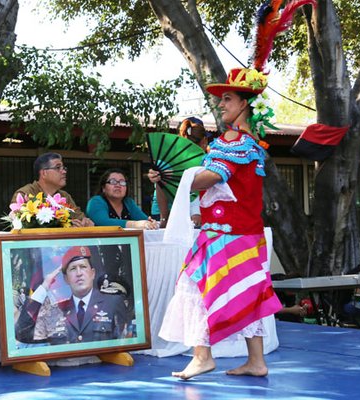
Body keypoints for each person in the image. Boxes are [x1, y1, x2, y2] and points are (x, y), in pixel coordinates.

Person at [156, 67, 284, 380]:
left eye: (227, 98)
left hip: (225, 236)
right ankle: (256, 361)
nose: (221, 104)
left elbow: (214, 177)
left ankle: (202, 356)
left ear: (244, 104)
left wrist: (174, 176)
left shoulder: (233, 141)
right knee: (248, 293)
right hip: (246, 233)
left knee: (195, 286)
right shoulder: (250, 142)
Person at [15, 246, 128, 344]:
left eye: (83, 267)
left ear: (92, 273)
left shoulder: (112, 303)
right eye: (73, 269)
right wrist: (44, 286)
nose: (79, 273)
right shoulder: (55, 310)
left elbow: (123, 339)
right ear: (66, 279)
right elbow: (23, 334)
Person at [148, 117, 207, 228]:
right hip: (167, 211)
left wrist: (196, 212)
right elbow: (161, 187)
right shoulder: (168, 160)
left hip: (183, 212)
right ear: (204, 141)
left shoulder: (166, 159)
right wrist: (164, 218)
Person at [11, 152, 94, 227]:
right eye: (58, 167)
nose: (64, 172)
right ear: (44, 173)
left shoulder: (64, 196)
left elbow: (80, 218)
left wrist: (86, 223)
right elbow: (19, 224)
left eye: (64, 168)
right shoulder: (25, 193)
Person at [86, 168, 158, 229]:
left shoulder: (128, 202)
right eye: (113, 182)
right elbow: (103, 222)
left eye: (122, 182)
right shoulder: (96, 201)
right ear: (103, 188)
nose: (118, 185)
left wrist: (150, 223)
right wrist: (134, 224)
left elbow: (143, 220)